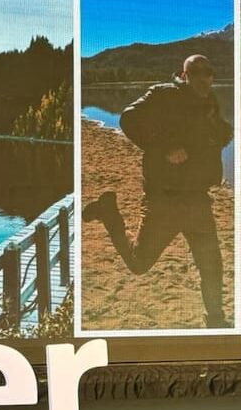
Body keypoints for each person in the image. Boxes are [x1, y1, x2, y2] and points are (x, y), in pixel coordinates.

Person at [81, 54, 231, 328]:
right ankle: (108, 213)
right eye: (196, 72)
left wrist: (219, 135)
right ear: (184, 75)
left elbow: (221, 134)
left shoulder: (209, 101)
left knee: (212, 265)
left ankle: (216, 321)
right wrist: (164, 148)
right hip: (165, 200)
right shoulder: (163, 95)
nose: (203, 77)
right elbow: (128, 119)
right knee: (139, 264)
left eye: (208, 72)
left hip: (198, 199)